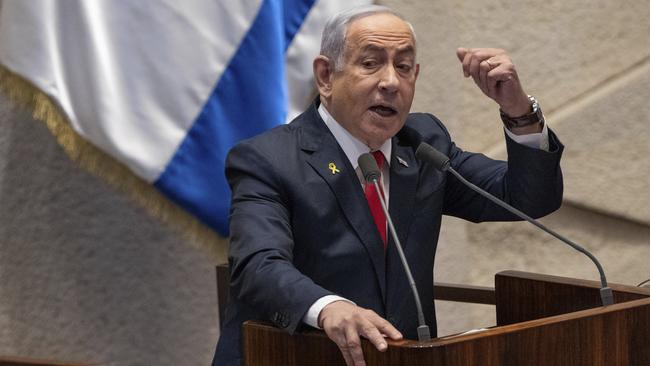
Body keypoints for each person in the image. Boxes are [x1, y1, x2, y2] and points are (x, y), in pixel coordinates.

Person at [213, 5, 563, 366]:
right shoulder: (268, 158)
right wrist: (328, 307)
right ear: (325, 76)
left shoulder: (424, 144)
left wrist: (518, 110)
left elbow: (527, 199)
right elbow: (258, 265)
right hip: (288, 355)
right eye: (370, 63)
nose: (391, 82)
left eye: (404, 66)